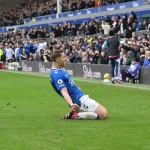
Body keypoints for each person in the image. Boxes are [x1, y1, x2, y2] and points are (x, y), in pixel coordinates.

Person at [49, 50, 107, 120]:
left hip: (80, 96)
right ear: (58, 60)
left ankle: (76, 112)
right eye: (64, 57)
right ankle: (74, 115)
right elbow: (64, 92)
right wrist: (71, 104)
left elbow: (68, 85)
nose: (66, 59)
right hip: (78, 100)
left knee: (105, 111)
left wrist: (76, 88)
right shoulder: (56, 74)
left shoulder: (60, 70)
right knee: (103, 115)